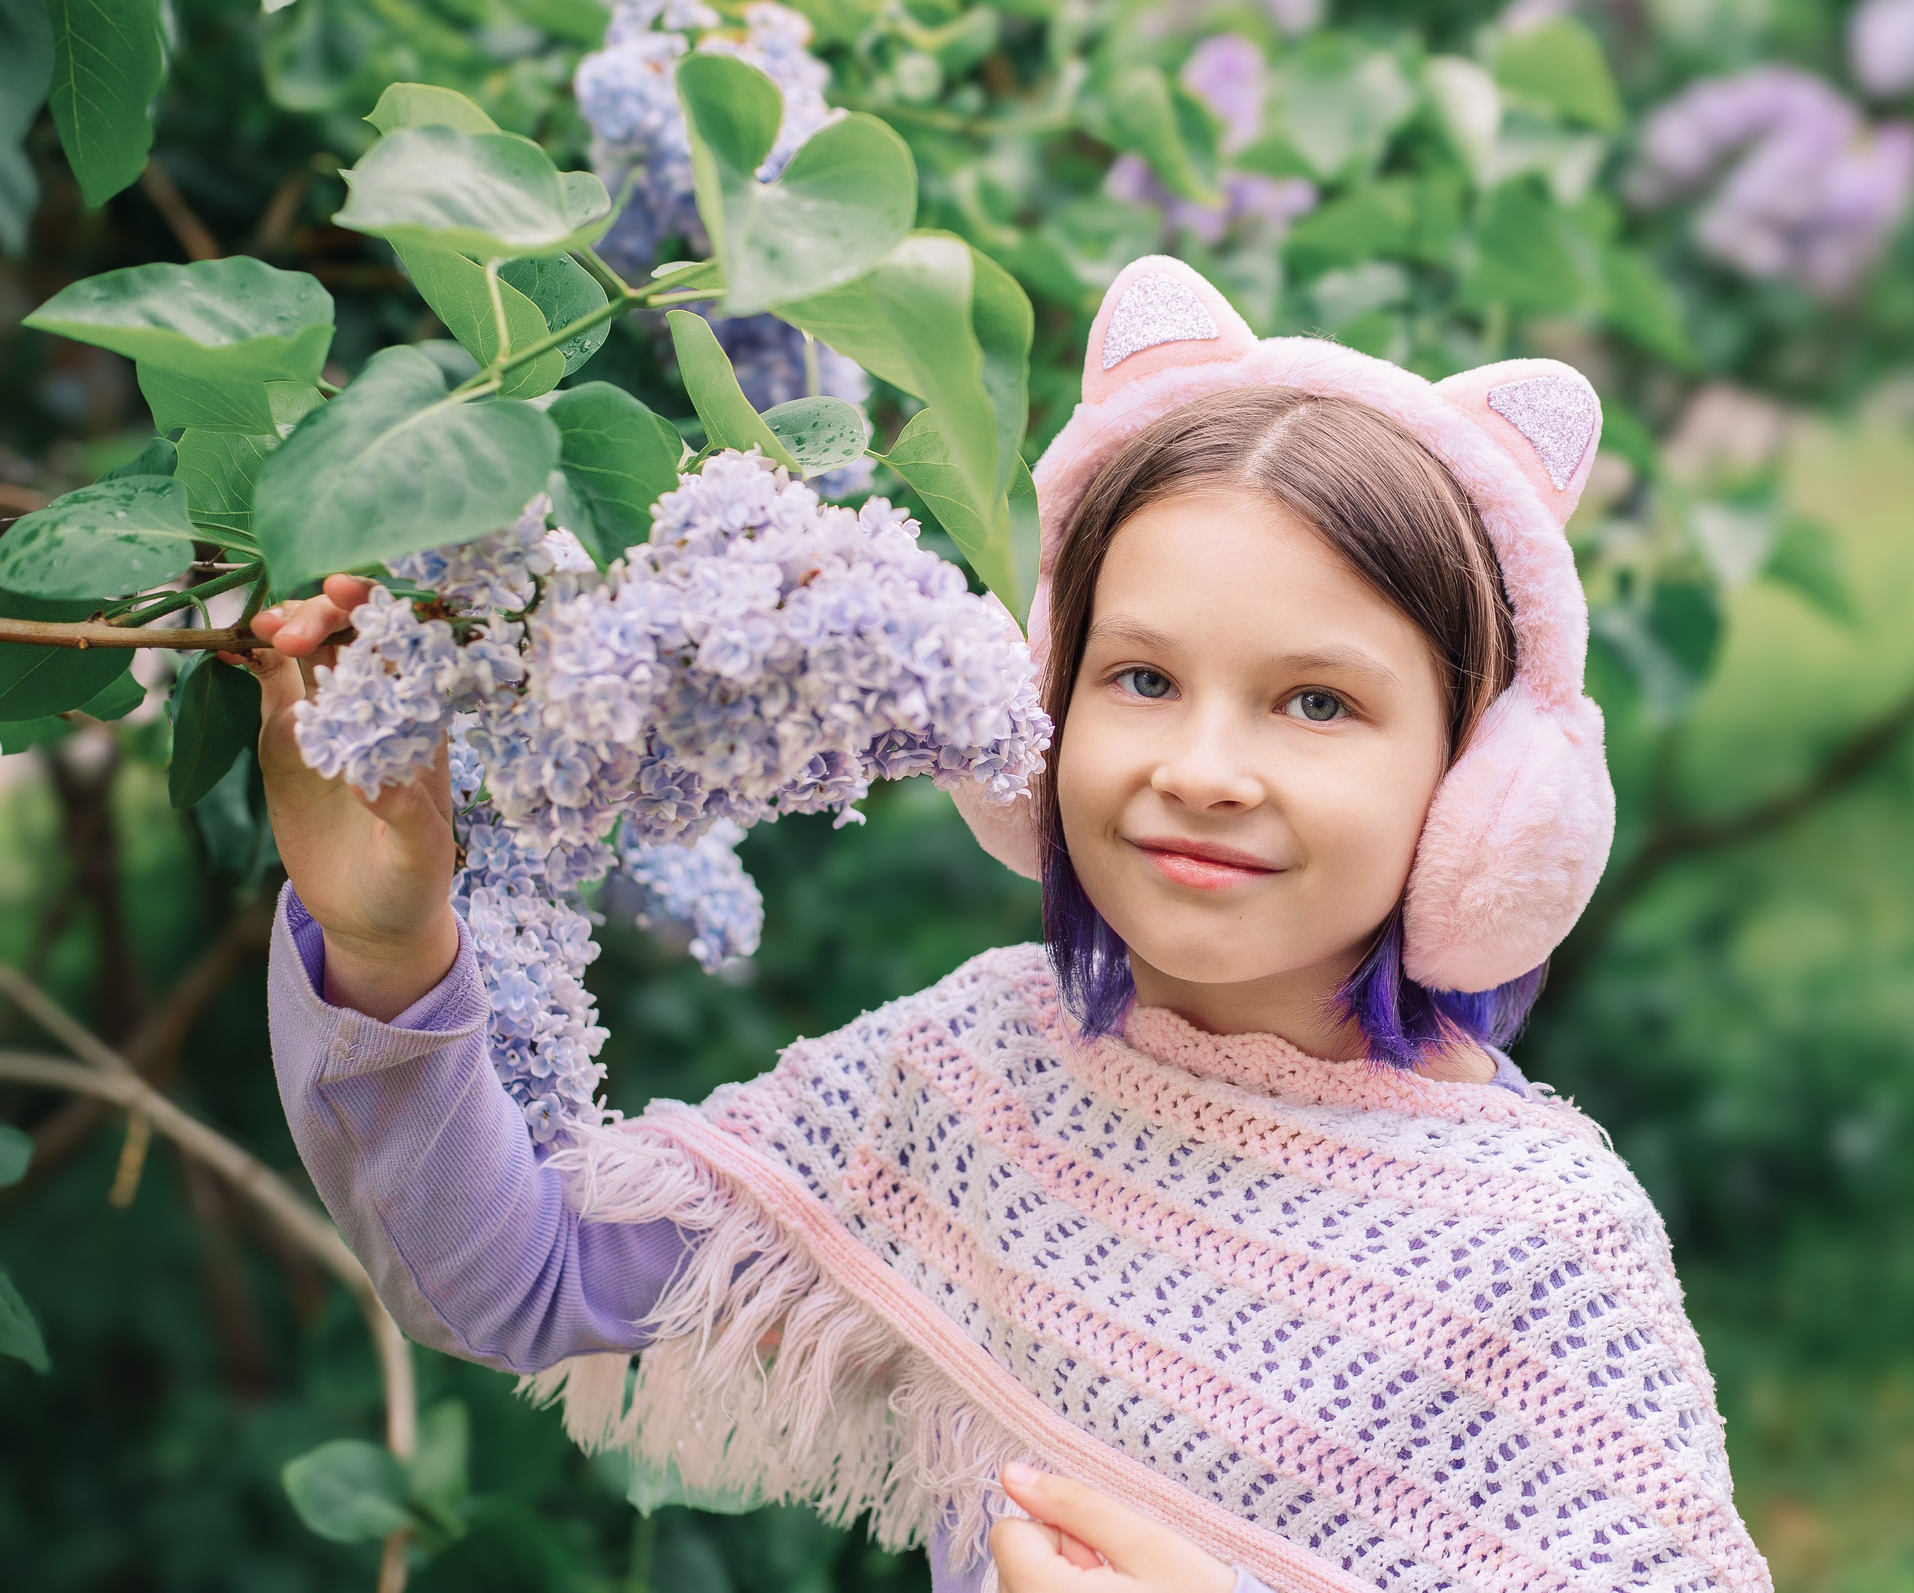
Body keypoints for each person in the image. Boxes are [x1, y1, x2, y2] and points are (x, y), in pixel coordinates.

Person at [250, 256, 1772, 1593]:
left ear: (1476, 792)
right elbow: (509, 1278)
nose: (1202, 771)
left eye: (1320, 703)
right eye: (1142, 679)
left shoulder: (1541, 1241)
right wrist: (385, 948)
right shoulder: (978, 1078)